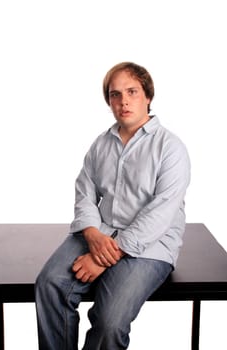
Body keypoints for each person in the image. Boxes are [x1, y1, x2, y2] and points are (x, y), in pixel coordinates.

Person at [35, 62, 191, 350]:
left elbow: (161, 213)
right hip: (101, 233)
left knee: (110, 320)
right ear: (109, 102)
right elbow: (85, 191)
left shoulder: (171, 148)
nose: (124, 101)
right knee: (49, 285)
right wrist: (92, 234)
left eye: (132, 91)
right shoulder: (101, 144)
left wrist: (103, 256)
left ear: (148, 96)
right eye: (115, 94)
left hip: (152, 245)